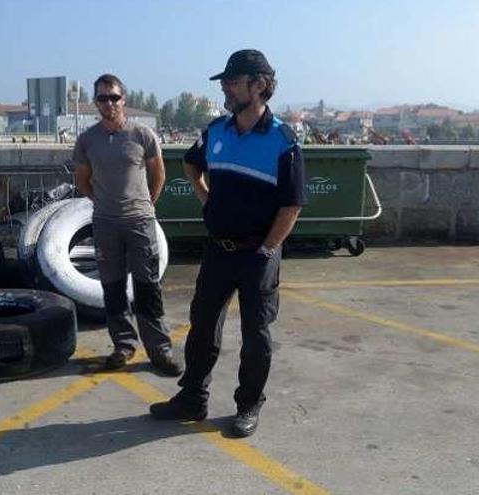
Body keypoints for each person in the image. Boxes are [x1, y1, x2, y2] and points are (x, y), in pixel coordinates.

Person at [149, 50, 307, 438]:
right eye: (225, 82)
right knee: (201, 326)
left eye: (233, 82)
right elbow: (190, 164)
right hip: (219, 250)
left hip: (259, 253)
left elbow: (291, 206)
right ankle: (192, 399)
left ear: (259, 85)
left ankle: (248, 405)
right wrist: (209, 200)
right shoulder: (216, 131)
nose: (225, 88)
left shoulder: (283, 141)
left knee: (256, 336)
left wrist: (268, 250)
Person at [72, 74, 182, 377]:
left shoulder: (142, 135)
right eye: (102, 98)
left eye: (114, 97)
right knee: (113, 288)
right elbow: (82, 179)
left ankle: (160, 350)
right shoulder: (87, 140)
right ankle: (123, 345)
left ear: (124, 99)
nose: (109, 103)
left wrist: (146, 204)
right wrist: (102, 203)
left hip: (140, 223)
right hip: (106, 224)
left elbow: (158, 175)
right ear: (96, 102)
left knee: (148, 289)